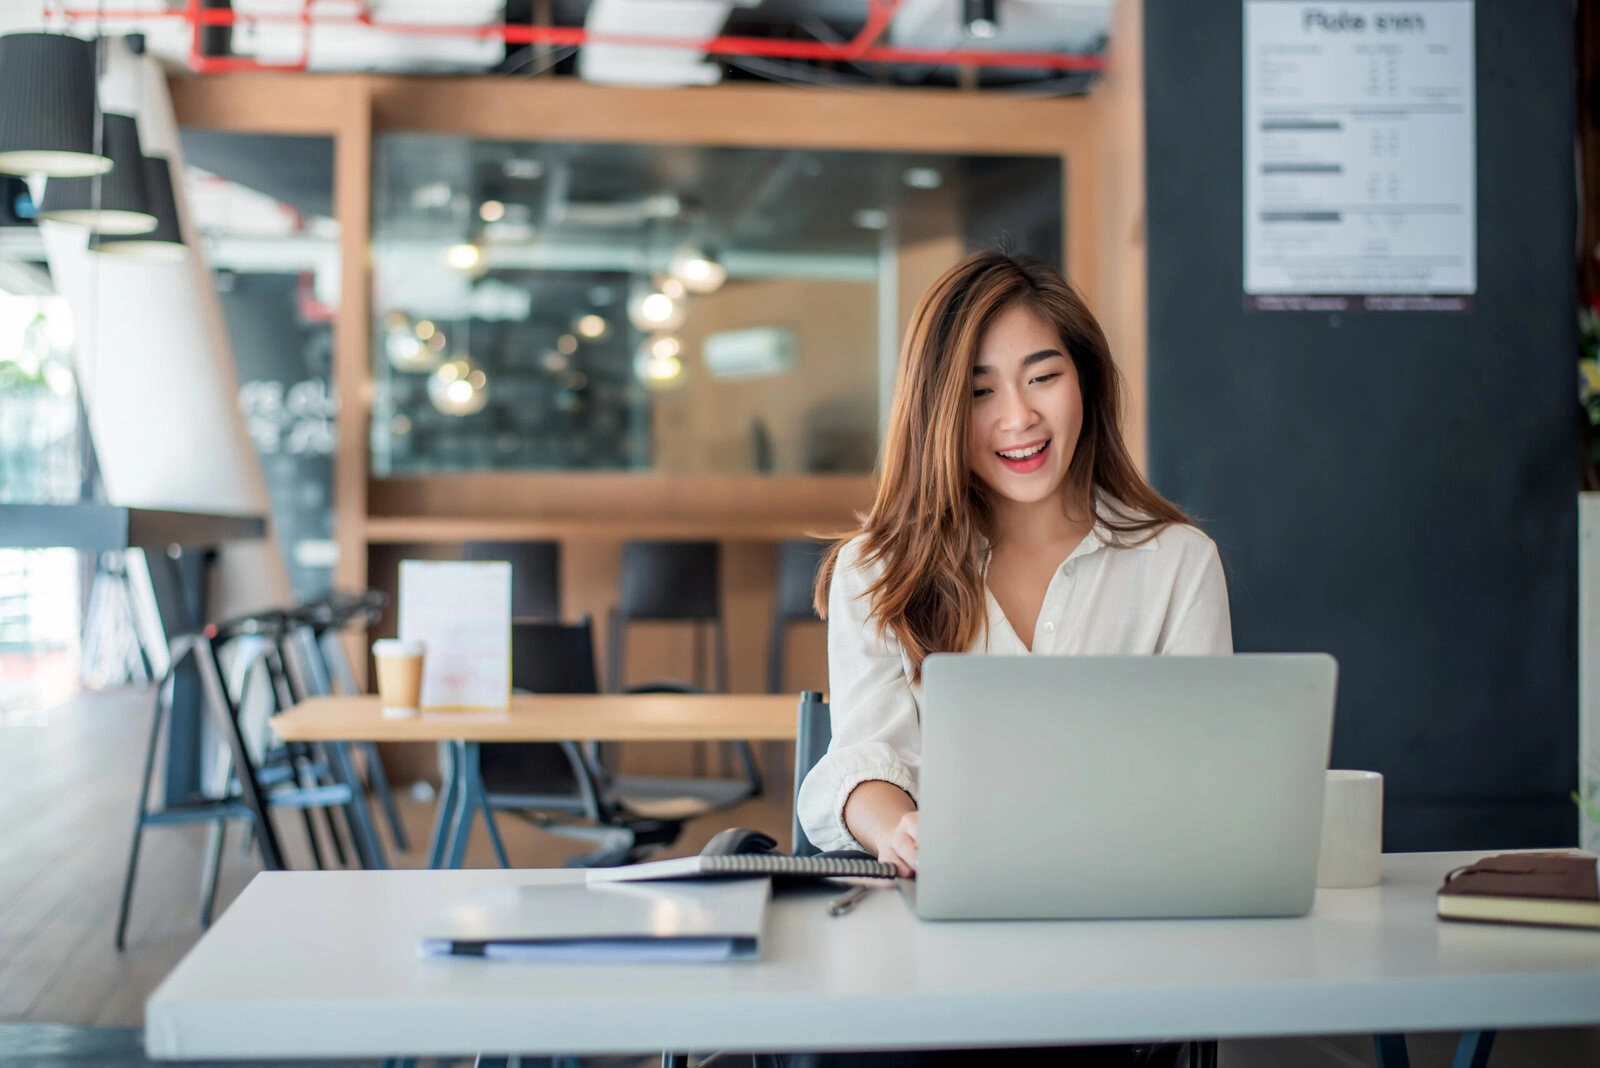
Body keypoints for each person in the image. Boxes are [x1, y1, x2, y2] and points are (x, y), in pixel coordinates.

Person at [797, 250, 1233, 879]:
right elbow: (867, 759)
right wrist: (900, 830)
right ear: (938, 411)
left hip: (1131, 899)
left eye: (1043, 376)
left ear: (1085, 380)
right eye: (980, 391)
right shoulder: (878, 570)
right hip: (951, 907)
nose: (1018, 417)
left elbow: (1207, 771)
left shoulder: (1178, 563)